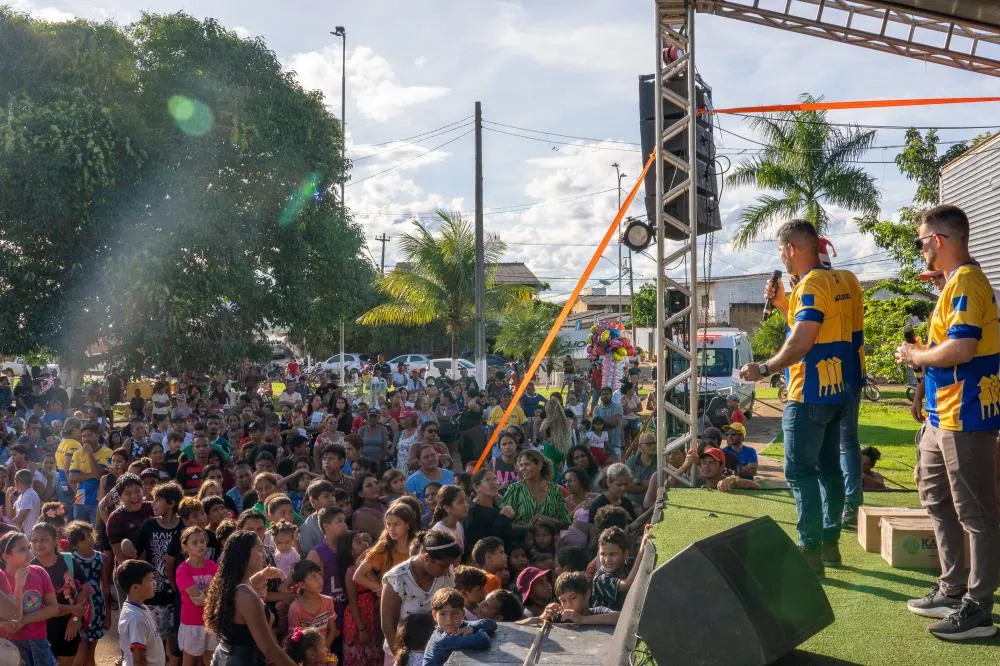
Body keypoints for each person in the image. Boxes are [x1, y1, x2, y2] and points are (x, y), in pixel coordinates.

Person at [895, 205, 1000, 640]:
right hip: (943, 415)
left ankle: (978, 608)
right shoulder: (953, 285)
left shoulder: (967, 284)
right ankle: (953, 588)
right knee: (936, 499)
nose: (920, 249)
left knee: (976, 513)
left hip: (967, 416)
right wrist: (922, 385)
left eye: (921, 241)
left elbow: (961, 349)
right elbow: (946, 348)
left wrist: (914, 356)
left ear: (937, 240)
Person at [741, 219, 856, 577]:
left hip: (809, 393)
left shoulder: (810, 285)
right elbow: (822, 324)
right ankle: (830, 542)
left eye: (780, 251)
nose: (782, 259)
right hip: (843, 389)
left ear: (791, 249)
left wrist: (764, 367)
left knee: (800, 471)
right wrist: (781, 304)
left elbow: (803, 340)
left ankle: (810, 549)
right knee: (830, 468)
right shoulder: (846, 281)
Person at [203, 530, 296, 666]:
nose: (265, 554)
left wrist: (261, 575)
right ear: (244, 556)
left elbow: (245, 588)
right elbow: (269, 649)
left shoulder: (232, 586)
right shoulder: (246, 595)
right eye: (259, 550)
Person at [380, 531, 461, 665]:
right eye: (443, 566)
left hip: (436, 652)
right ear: (427, 558)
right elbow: (388, 625)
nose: (447, 571)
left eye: (449, 566)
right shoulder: (397, 579)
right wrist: (401, 659)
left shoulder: (445, 574)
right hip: (401, 653)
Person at [0, 530, 58, 666]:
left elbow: (54, 608)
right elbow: (14, 618)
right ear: (6, 557)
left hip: (39, 641)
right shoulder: (2, 579)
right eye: (22, 549)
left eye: (28, 547)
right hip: (10, 645)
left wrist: (25, 620)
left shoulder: (39, 572)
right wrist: (18, 586)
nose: (29, 552)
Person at [175, 526, 220, 665]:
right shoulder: (182, 570)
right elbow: (199, 601)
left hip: (211, 621)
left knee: (211, 661)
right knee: (189, 662)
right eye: (194, 542)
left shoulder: (214, 566)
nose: (200, 545)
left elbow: (217, 593)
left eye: (202, 541)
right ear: (185, 547)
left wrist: (205, 594)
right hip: (191, 623)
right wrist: (212, 590)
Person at [421, 588, 497, 666]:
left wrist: (472, 627)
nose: (449, 620)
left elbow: (491, 623)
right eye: (443, 614)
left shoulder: (461, 625)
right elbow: (483, 640)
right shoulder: (443, 640)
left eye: (455, 613)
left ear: (463, 614)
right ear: (434, 615)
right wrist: (478, 630)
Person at [499, 450, 570, 531]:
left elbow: (565, 523)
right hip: (521, 541)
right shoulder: (514, 489)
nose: (523, 469)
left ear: (540, 465)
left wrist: (545, 519)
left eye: (527, 464)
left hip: (551, 541)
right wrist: (528, 528)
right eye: (521, 465)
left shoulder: (555, 490)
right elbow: (503, 523)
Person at [116, 559, 166, 666]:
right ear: (135, 587)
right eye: (150, 580)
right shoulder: (136, 619)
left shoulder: (141, 608)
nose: (154, 583)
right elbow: (138, 659)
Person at [287, 559, 338, 651]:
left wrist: (324, 649)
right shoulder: (295, 609)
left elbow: (332, 630)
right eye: (314, 577)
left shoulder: (328, 601)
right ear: (301, 585)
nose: (320, 580)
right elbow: (295, 638)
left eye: (320, 575)